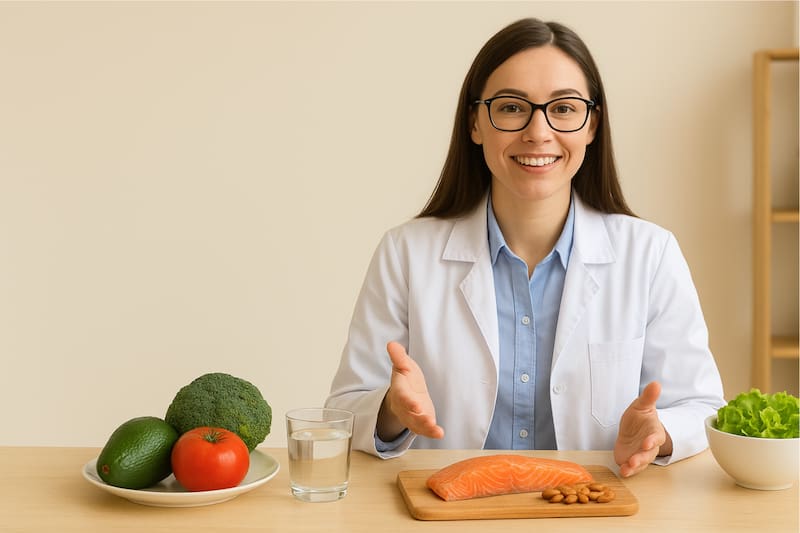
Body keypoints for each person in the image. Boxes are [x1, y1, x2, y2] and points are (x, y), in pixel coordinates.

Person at [325, 18, 725, 478]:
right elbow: (346, 408)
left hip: (595, 510)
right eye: (512, 108)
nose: (538, 132)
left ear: (592, 125)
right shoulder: (406, 252)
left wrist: (662, 431)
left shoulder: (650, 253)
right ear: (475, 122)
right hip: (451, 514)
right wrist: (392, 410)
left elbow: (702, 405)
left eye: (564, 108)